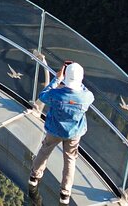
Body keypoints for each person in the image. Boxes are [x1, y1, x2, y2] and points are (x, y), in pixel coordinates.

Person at [28, 61, 94, 205]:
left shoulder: (56, 94)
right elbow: (85, 91)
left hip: (54, 129)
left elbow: (43, 95)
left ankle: (34, 177)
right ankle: (65, 193)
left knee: (44, 151)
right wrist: (76, 81)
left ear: (66, 76)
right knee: (70, 159)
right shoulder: (86, 97)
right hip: (74, 133)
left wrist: (58, 78)